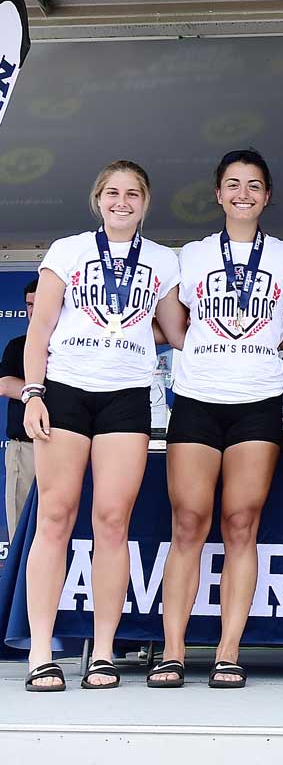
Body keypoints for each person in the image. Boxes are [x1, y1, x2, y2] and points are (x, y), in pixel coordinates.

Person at [22, 160, 186, 691]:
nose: (122, 202)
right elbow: (40, 328)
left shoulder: (163, 260)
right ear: (97, 199)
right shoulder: (67, 251)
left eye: (133, 194)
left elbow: (177, 331)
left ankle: (106, 651)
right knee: (56, 517)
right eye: (112, 193)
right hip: (66, 393)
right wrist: (33, 393)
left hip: (126, 399)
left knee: (113, 522)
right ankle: (42, 652)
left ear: (145, 202)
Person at [149, 150, 283, 688]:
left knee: (242, 525)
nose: (243, 193)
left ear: (266, 195)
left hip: (258, 401)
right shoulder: (186, 257)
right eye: (233, 184)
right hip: (197, 399)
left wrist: (258, 351)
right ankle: (171, 650)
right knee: (188, 522)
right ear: (217, 193)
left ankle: (227, 649)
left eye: (254, 185)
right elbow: (170, 323)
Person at [1, 279, 38, 539]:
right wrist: (41, 395)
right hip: (26, 447)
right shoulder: (18, 345)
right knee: (21, 531)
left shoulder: (70, 346)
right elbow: (5, 385)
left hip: (68, 444)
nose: (33, 310)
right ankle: (21, 581)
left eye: (39, 303)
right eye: (29, 304)